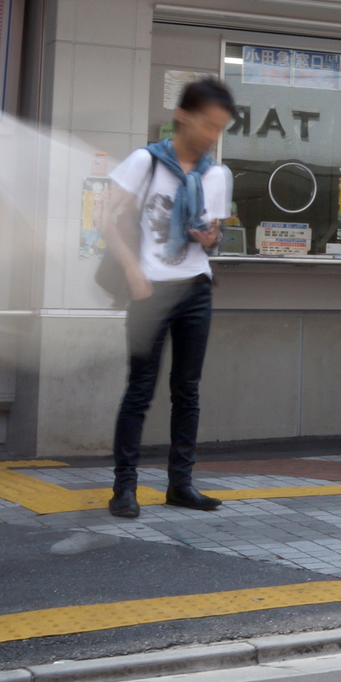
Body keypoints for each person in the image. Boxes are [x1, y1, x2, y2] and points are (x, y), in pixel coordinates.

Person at [104, 77, 236, 518]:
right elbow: (103, 216)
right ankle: (124, 487)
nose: (211, 136)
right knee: (140, 391)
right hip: (150, 287)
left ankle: (181, 484)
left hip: (195, 287)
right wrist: (132, 270)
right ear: (182, 116)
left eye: (219, 128)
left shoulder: (215, 173)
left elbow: (213, 235)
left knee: (188, 391)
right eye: (207, 124)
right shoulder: (145, 162)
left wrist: (209, 236)